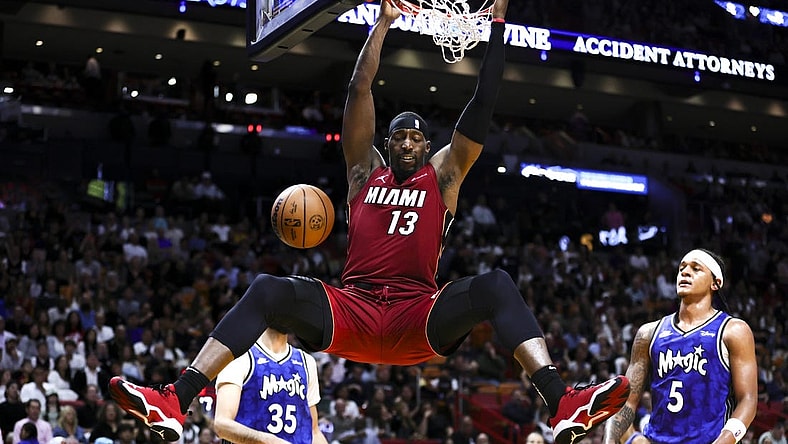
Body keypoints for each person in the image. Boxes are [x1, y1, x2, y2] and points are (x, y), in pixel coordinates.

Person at [107, 2, 629, 444]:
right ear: (387, 143)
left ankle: (562, 403)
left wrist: (496, 27)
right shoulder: (363, 174)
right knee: (268, 289)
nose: (404, 142)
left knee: (495, 284)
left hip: (416, 316)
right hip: (352, 309)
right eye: (397, 135)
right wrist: (381, 23)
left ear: (428, 147)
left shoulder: (445, 178)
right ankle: (174, 400)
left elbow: (483, 103)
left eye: (415, 137)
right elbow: (359, 91)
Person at [603, 249, 758, 444]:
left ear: (715, 283)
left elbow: (748, 400)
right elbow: (625, 403)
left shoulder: (733, 330)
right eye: (681, 268)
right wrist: (630, 438)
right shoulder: (649, 333)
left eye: (696, 268)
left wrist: (724, 441)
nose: (685, 272)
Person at [213, 327, 328, 444]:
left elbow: (314, 432)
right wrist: (267, 440)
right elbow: (222, 425)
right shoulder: (240, 357)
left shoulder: (306, 362)